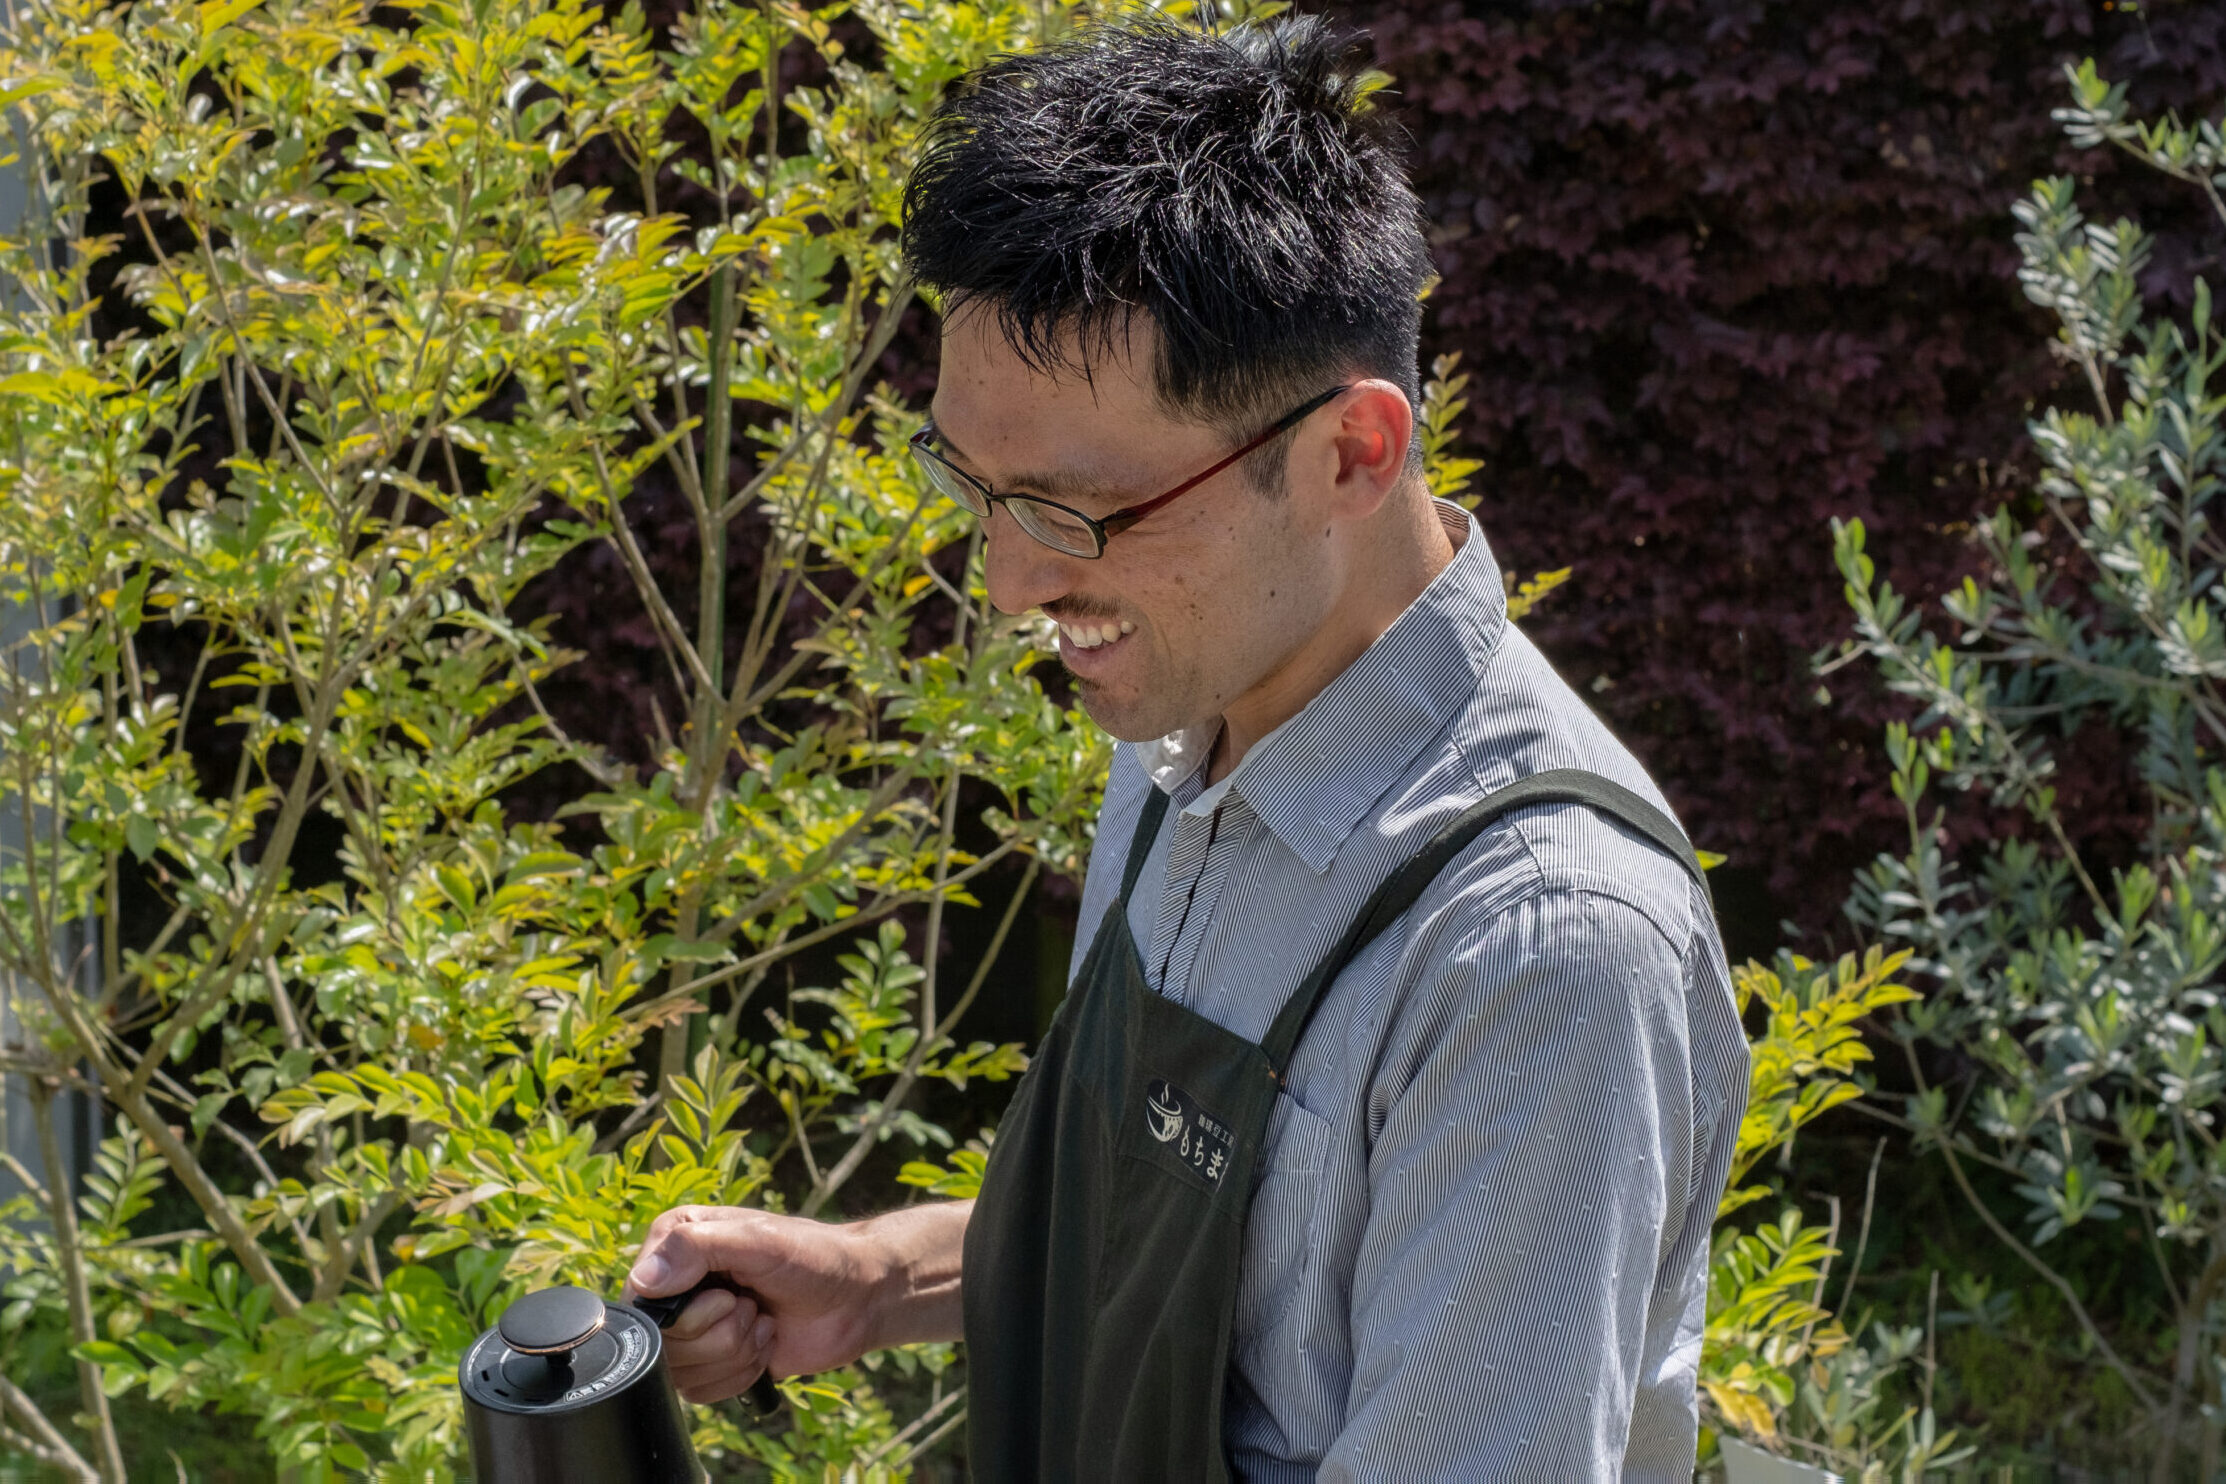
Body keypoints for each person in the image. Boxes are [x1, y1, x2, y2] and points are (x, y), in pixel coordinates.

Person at [625, 15, 1748, 1480]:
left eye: (1079, 513)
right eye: (975, 486)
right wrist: (879, 1282)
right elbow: (1229, 1274)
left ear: (1349, 454)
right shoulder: (1188, 710)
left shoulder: (1536, 952)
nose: (1008, 582)